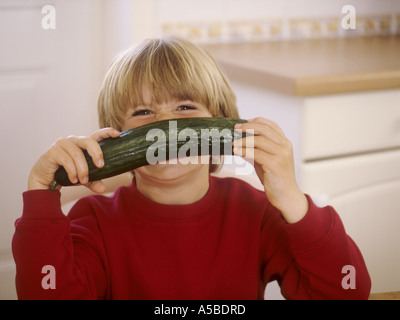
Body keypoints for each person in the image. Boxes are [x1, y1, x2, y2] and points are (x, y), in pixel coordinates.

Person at [12, 37, 371, 300]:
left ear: (221, 124)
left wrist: (293, 200)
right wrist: (41, 194)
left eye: (185, 108)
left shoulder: (257, 212)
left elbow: (346, 291)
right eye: (143, 113)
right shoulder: (93, 218)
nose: (166, 125)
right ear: (113, 137)